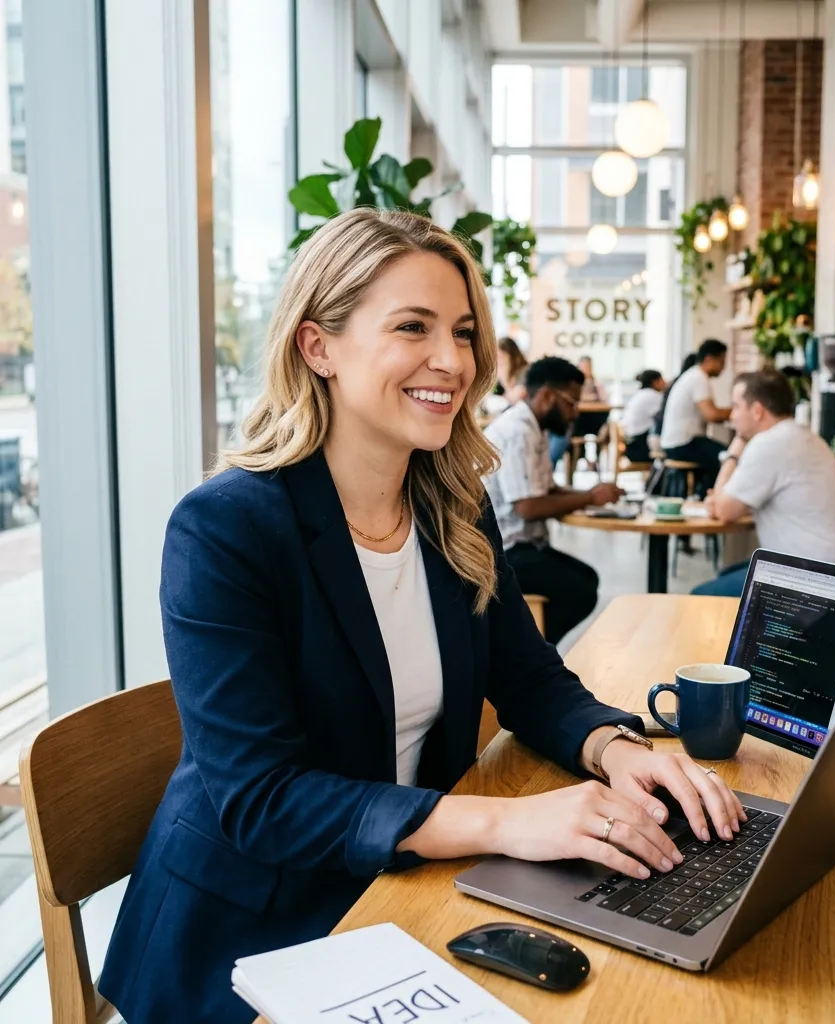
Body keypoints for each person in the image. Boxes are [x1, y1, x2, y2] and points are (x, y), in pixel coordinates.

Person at [99, 211, 744, 1023]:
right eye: (414, 327)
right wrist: (509, 822)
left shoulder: (451, 507)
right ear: (317, 347)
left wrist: (614, 750)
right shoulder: (225, 529)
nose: (455, 362)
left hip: (405, 885)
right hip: (253, 931)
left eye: (465, 333)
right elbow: (263, 800)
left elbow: (528, 676)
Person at [484, 356, 625, 644]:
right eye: (571, 404)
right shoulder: (518, 432)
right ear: (547, 396)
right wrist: (589, 496)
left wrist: (593, 495)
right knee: (579, 590)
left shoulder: (534, 428)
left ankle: (531, 650)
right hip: (500, 552)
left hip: (522, 545)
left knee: (586, 580)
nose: (575, 414)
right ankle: (527, 654)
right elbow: (527, 507)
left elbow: (547, 489)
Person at [695, 369, 835, 597]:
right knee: (728, 575)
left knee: (700, 597)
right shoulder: (803, 436)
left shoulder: (770, 444)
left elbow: (725, 511)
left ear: (757, 411)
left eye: (735, 406)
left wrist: (734, 453)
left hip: (809, 581)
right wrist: (721, 501)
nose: (731, 416)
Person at [659, 339, 732, 494]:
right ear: (709, 359)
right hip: (682, 444)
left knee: (717, 453)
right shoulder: (698, 378)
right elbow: (711, 414)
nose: (724, 368)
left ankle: (708, 494)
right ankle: (712, 496)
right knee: (726, 457)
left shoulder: (692, 375)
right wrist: (735, 411)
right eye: (721, 362)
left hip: (673, 443)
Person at [621, 369, 666, 462]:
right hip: (640, 449)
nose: (665, 382)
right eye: (662, 379)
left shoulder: (640, 394)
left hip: (631, 447)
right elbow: (664, 418)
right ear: (655, 382)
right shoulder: (653, 396)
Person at [495, 335, 528, 403]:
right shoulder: (500, 373)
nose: (498, 360)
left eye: (500, 356)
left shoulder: (525, 371)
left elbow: (516, 397)